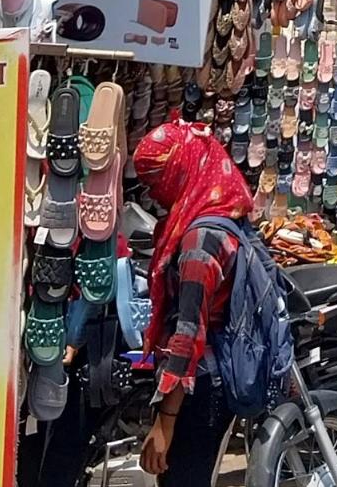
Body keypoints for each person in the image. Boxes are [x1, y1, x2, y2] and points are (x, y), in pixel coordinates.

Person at [132, 120, 254, 483]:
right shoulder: (226, 211)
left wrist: (164, 423)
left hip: (202, 387)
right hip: (210, 377)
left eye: (157, 180)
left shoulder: (200, 241)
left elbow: (188, 335)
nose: (154, 194)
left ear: (181, 170)